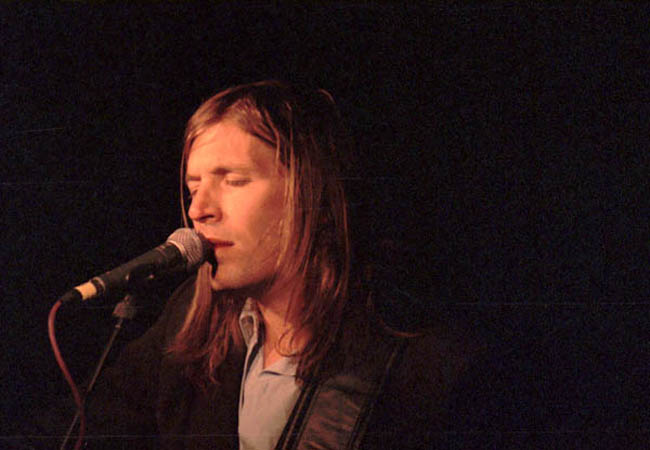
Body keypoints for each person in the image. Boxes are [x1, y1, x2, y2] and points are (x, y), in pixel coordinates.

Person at [76, 80, 476, 449]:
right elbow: (87, 425)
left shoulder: (422, 360)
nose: (198, 209)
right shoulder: (189, 316)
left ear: (312, 194)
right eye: (193, 187)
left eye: (233, 180)